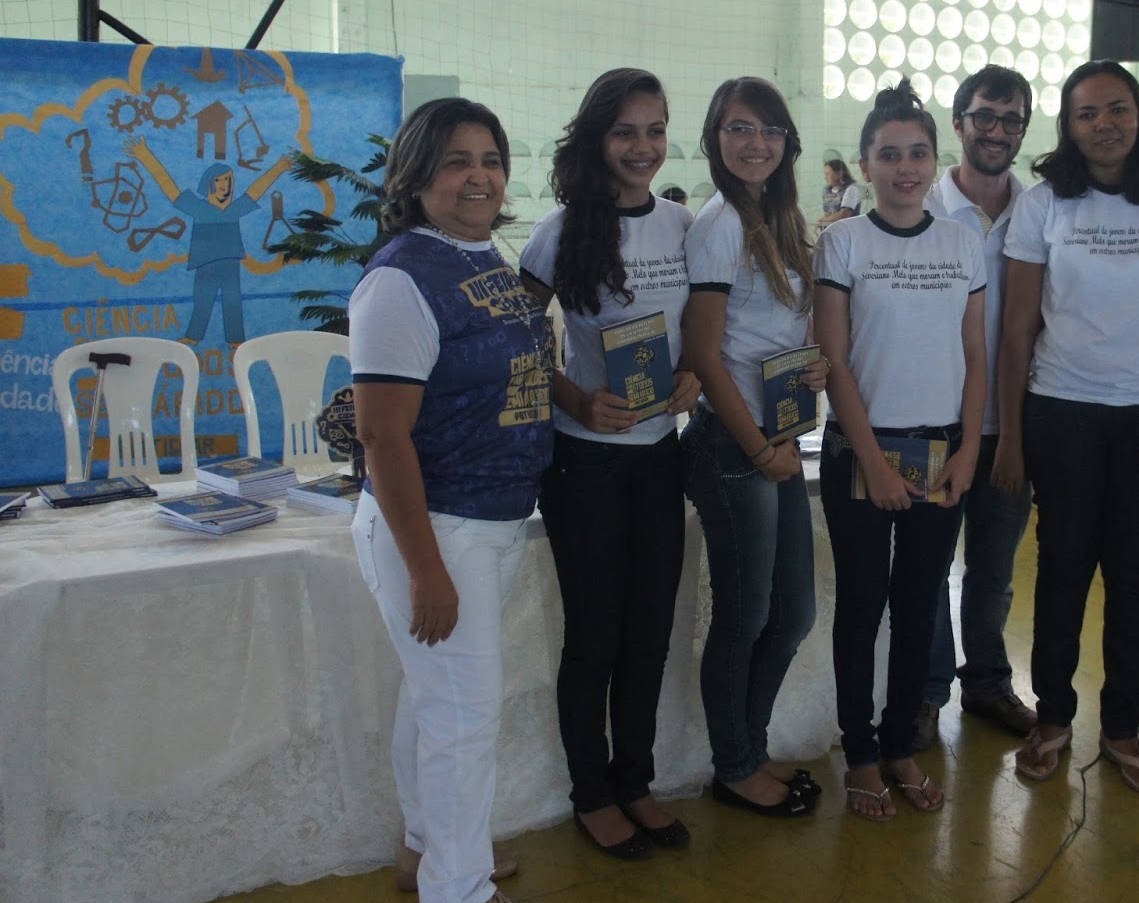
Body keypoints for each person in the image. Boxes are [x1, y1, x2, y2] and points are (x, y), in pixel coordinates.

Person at [348, 98, 553, 903]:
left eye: (491, 160)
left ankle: (425, 849)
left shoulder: (480, 256)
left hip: (489, 519)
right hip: (438, 525)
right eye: (457, 160)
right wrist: (426, 569)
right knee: (463, 718)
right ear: (415, 175)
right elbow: (381, 435)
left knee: (436, 701)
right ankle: (459, 887)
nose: (479, 177)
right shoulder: (401, 277)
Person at [1000, 60, 1139, 795]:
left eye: (1118, 108)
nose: (1105, 124)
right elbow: (1018, 328)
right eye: (1088, 113)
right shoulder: (1043, 206)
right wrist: (1012, 436)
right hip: (1061, 410)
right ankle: (1053, 718)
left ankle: (1122, 724)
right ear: (1068, 126)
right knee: (1063, 568)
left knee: (1134, 574)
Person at [518, 69, 699, 860]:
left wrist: (693, 375)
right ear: (597, 139)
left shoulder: (685, 226)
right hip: (584, 464)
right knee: (596, 635)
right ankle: (591, 793)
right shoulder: (559, 232)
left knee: (651, 631)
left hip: (659, 457)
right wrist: (574, 397)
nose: (642, 147)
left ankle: (636, 781)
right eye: (626, 131)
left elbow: (704, 330)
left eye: (654, 130)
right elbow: (516, 339)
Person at [815, 80, 987, 821]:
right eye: (889, 155)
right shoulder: (843, 241)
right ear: (865, 165)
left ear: (934, 160)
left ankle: (899, 745)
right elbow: (835, 361)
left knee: (920, 604)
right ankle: (859, 753)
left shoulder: (963, 242)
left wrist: (969, 450)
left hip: (941, 452)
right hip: (862, 452)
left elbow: (975, 356)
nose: (905, 168)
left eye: (918, 153)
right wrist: (874, 463)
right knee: (862, 605)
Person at [681, 77, 829, 818]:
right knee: (744, 617)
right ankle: (735, 765)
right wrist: (761, 450)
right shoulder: (719, 225)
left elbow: (779, 331)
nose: (756, 143)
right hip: (733, 445)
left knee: (793, 613)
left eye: (770, 129)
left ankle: (749, 745)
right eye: (739, 128)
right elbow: (705, 357)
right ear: (715, 139)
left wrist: (813, 366)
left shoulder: (782, 218)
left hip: (777, 439)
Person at [917, 65, 1038, 751]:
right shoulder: (924, 207)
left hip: (1009, 428)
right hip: (935, 423)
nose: (997, 131)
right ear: (959, 122)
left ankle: (987, 682)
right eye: (985, 116)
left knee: (994, 570)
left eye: (1011, 119)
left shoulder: (1040, 211)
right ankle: (927, 691)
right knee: (930, 567)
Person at [124, 137, 294, 347]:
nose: (225, 185)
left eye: (229, 180)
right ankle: (193, 336)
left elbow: (256, 190)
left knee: (233, 300)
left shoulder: (234, 209)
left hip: (230, 262)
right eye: (219, 181)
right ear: (208, 184)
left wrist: (279, 167)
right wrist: (145, 156)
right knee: (202, 300)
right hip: (204, 262)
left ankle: (236, 339)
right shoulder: (199, 208)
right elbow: (170, 188)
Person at [817, 158, 863, 228]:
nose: (825, 178)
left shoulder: (851, 189)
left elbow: (844, 214)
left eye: (828, 174)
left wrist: (822, 220)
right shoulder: (826, 190)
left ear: (838, 174)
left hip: (848, 230)